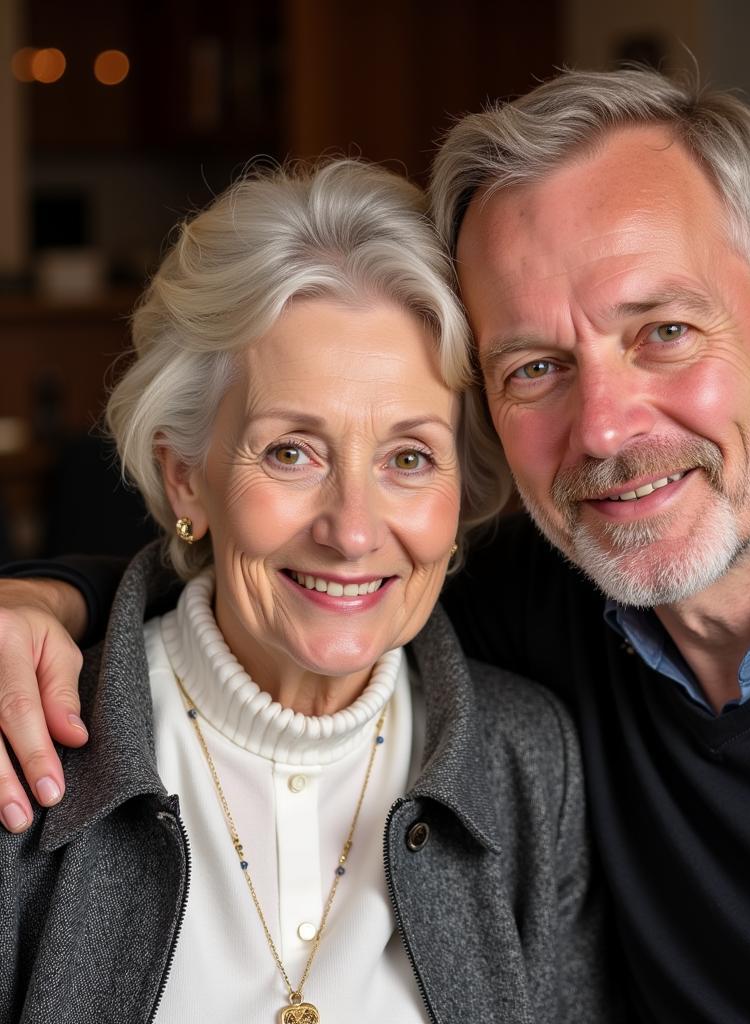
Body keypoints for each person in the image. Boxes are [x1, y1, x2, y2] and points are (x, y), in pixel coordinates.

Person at [2, 67, 750, 1022]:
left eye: (662, 331)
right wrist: (49, 602)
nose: (607, 430)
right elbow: (308, 587)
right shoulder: (541, 607)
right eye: (534, 366)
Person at [0, 159, 610, 1023]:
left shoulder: (528, 762)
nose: (353, 530)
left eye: (409, 458)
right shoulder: (27, 747)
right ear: (185, 481)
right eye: (291, 451)